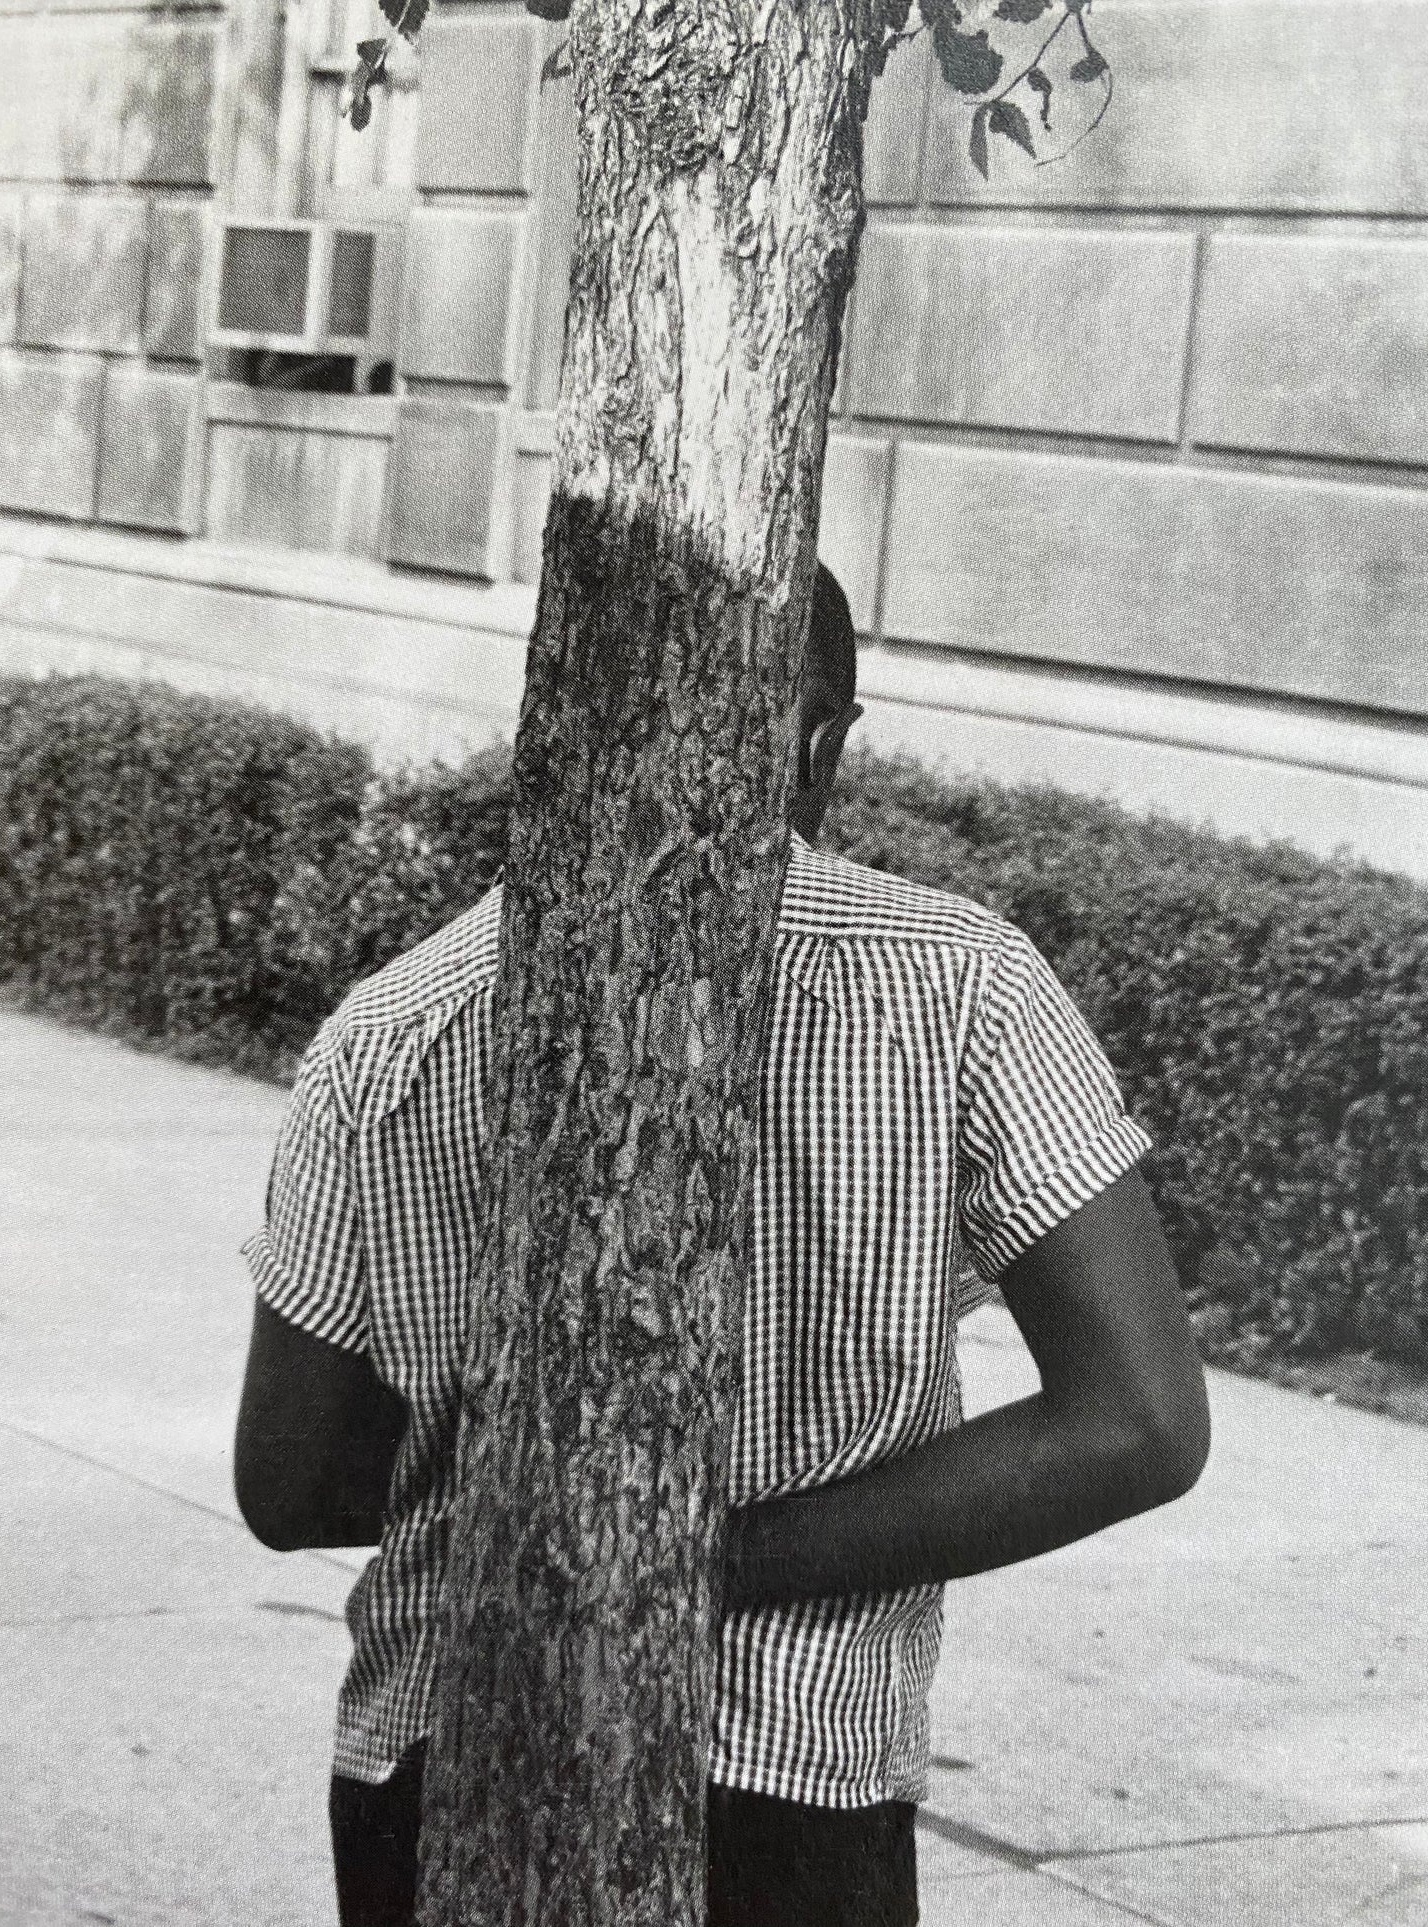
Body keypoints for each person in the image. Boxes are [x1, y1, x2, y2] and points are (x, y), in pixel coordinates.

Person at [235, 562, 1210, 1927]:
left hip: (439, 1758)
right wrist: (695, 1569)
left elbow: (291, 1489)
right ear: (822, 743)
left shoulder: (394, 1034)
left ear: (551, 711)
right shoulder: (958, 991)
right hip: (787, 1791)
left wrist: (526, 1514)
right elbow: (1138, 1424)